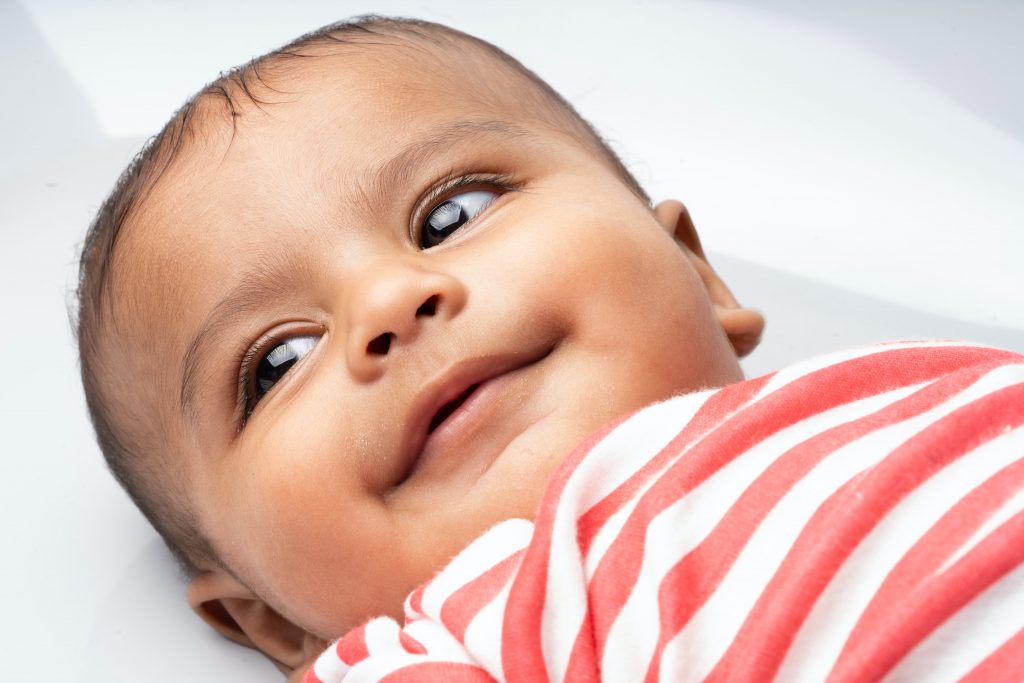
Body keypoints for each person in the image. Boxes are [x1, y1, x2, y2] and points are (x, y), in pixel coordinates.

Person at [74, 16, 1024, 682]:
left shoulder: (899, 383)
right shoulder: (479, 632)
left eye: (451, 213)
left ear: (698, 272)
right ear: (270, 617)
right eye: (275, 362)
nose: (390, 303)